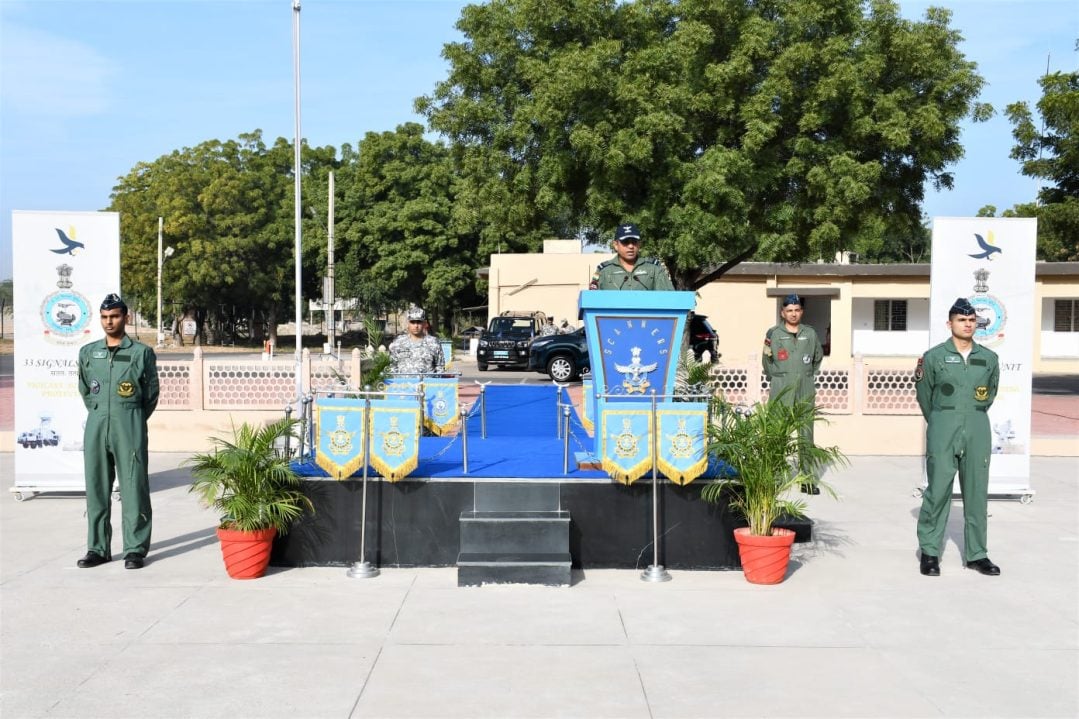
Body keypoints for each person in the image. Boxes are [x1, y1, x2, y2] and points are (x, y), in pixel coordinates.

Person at [914, 298, 1001, 577]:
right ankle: (929, 552)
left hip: (977, 425)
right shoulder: (934, 357)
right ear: (949, 323)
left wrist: (970, 415)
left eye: (972, 320)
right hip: (943, 424)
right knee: (938, 491)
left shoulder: (988, 359)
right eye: (962, 320)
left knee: (976, 491)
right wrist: (941, 419)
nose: (967, 324)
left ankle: (977, 554)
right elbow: (924, 395)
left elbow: (989, 394)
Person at [76, 293, 159, 569]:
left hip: (129, 424)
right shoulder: (89, 353)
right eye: (104, 317)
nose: (109, 322)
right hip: (97, 424)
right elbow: (86, 389)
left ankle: (135, 548)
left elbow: (151, 394)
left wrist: (130, 415)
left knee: (134, 486)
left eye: (114, 316)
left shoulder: (141, 353)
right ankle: (98, 548)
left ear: (126, 317)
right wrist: (101, 411)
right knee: (96, 487)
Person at [761, 294, 824, 494]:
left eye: (797, 310)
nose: (793, 314)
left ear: (801, 312)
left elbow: (817, 358)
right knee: (777, 433)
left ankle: (807, 479)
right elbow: (766, 360)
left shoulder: (811, 333)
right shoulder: (774, 333)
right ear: (783, 312)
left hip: (805, 389)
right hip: (781, 388)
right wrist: (779, 377)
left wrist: (805, 375)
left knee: (806, 435)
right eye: (789, 310)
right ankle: (776, 478)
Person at [589, 222, 675, 291]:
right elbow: (592, 300)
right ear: (615, 245)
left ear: (639, 244)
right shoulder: (603, 270)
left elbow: (668, 298)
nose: (631, 246)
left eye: (634, 242)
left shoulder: (654, 268)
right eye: (625, 242)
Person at [389, 306, 445, 374]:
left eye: (419, 322)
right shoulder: (398, 342)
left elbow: (440, 367)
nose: (416, 326)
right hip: (403, 383)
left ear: (424, 323)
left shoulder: (434, 342)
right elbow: (392, 366)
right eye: (412, 322)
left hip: (427, 384)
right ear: (408, 323)